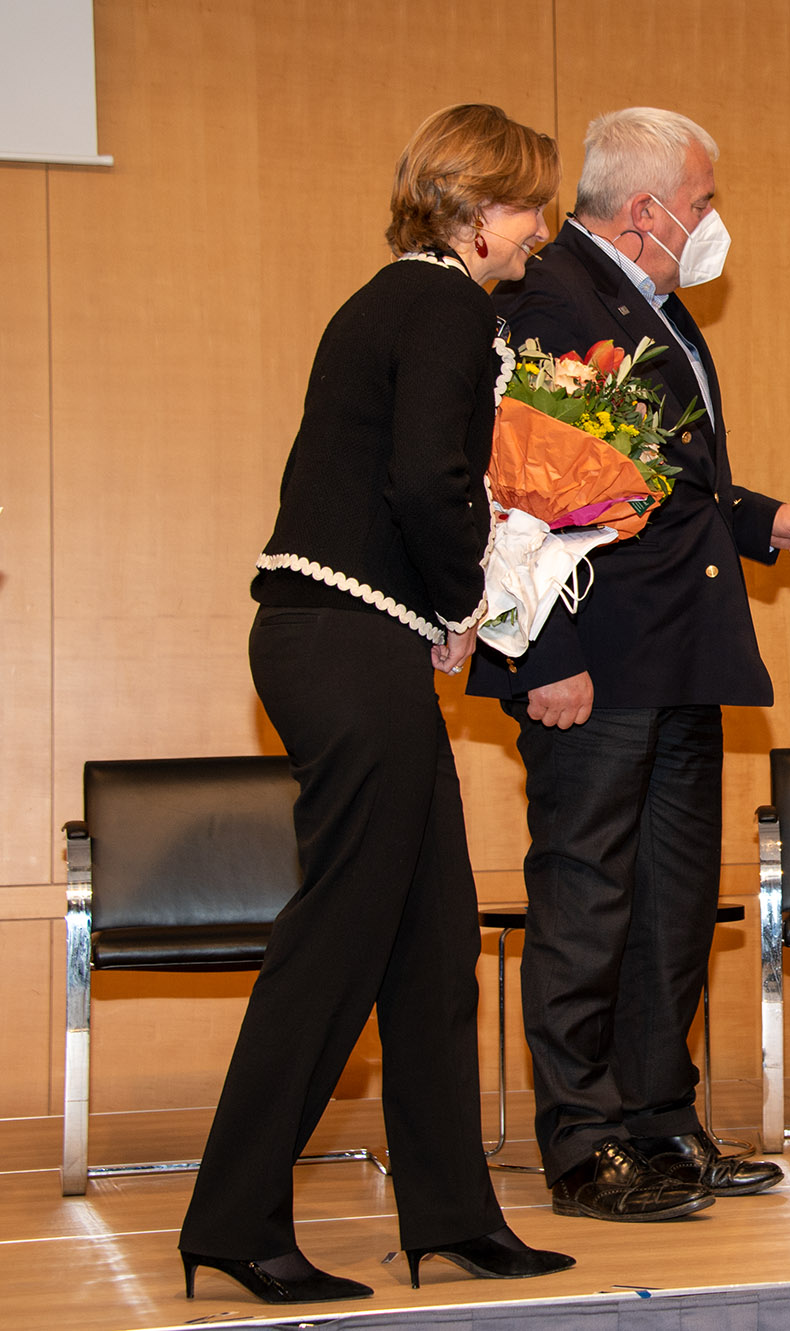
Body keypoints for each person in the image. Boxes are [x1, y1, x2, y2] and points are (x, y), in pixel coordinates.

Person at [178, 104, 573, 1304]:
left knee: (432, 939)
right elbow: (426, 478)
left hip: (344, 640)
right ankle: (234, 1217)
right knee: (338, 940)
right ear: (480, 208)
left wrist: (436, 605)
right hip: (349, 642)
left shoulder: (396, 298)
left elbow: (405, 474)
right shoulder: (445, 304)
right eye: (531, 206)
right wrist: (463, 602)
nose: (541, 229)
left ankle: (451, 1213)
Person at [465, 107, 790, 1220]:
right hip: (595, 660)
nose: (712, 218)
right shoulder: (551, 297)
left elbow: (654, 474)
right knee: (589, 897)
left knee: (671, 905)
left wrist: (760, 520)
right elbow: (510, 493)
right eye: (704, 200)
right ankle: (583, 1140)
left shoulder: (649, 305)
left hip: (679, 652)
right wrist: (545, 651)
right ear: (647, 209)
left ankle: (658, 1120)